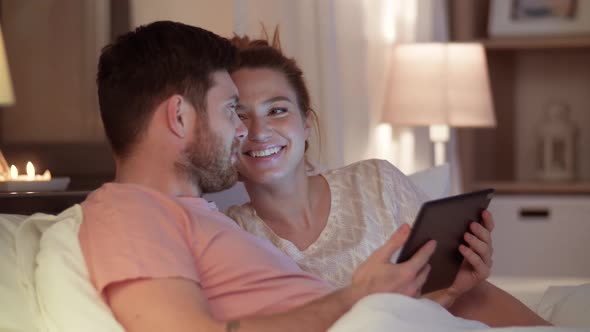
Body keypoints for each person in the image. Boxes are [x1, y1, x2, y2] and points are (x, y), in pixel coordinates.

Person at [78, 21, 441, 332]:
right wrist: (358, 296)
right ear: (179, 117)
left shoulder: (201, 218)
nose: (244, 131)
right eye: (230, 111)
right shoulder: (129, 212)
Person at [227, 32, 550, 327]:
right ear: (222, 132)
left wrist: (452, 290)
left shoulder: (377, 183)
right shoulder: (231, 235)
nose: (259, 132)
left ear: (306, 122)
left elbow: (458, 303)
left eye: (277, 110)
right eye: (240, 116)